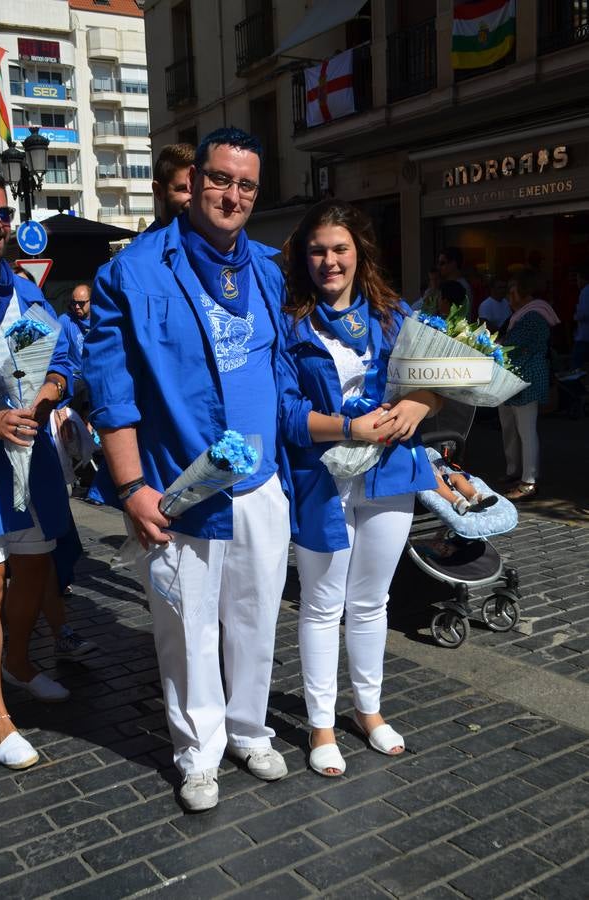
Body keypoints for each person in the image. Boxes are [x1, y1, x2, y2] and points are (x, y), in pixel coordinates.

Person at [83, 127, 290, 811]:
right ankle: (197, 753)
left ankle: (248, 729)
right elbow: (112, 392)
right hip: (182, 488)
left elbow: (283, 367)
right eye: (221, 179)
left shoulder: (267, 266)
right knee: (187, 629)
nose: (232, 194)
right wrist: (132, 487)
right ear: (194, 180)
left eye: (246, 184)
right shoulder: (133, 272)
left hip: (262, 486)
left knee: (257, 618)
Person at [280, 199, 441, 777]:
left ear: (359, 253)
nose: (329, 261)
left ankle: (369, 712)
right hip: (321, 477)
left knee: (372, 602)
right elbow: (286, 413)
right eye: (318, 249)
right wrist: (348, 426)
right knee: (323, 605)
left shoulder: (392, 315)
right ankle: (322, 724)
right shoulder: (290, 322)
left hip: (389, 470)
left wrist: (421, 403)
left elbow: (435, 379)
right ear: (305, 255)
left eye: (339, 249)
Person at [0, 171, 73, 770]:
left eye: (2, 212)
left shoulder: (24, 286)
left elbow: (64, 354)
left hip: (31, 459)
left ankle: (17, 662)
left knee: (34, 566)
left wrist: (48, 390)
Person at [498, 268, 560, 501]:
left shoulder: (533, 316)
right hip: (515, 380)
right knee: (514, 428)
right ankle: (516, 472)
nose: (508, 296)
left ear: (522, 291)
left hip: (525, 381)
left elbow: (510, 346)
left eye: (512, 291)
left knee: (525, 430)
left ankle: (528, 481)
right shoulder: (525, 314)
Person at [426, 451, 497, 516]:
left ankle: (475, 497)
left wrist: (441, 472)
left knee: (457, 476)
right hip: (429, 480)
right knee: (434, 480)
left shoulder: (426, 459)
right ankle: (458, 502)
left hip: (443, 477)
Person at [59, 284, 91, 420]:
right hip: (76, 379)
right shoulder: (65, 321)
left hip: (95, 376)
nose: (77, 306)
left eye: (81, 303)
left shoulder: (101, 320)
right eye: (73, 303)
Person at [148, 143, 195, 229]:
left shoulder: (217, 238)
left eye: (197, 188)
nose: (194, 196)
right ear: (158, 192)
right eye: (184, 189)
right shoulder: (146, 242)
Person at [437, 247, 472, 319]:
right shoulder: (446, 284)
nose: (439, 267)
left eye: (442, 263)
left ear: (453, 263)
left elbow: (462, 316)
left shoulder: (462, 287)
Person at [572, 263, 589, 371]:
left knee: (575, 367)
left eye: (577, 278)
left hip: (585, 337)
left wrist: (576, 316)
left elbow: (584, 313)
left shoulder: (585, 292)